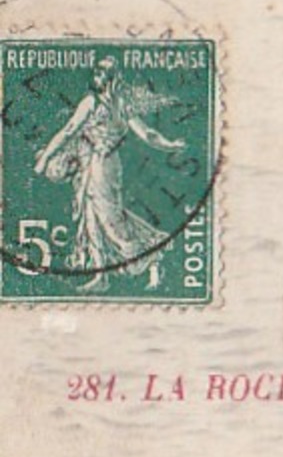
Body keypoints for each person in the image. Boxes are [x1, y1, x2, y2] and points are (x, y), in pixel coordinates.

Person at [33, 56, 185, 290]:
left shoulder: (112, 103)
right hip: (93, 162)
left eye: (101, 74)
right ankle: (100, 275)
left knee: (110, 219)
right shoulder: (98, 102)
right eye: (96, 73)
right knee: (92, 216)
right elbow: (69, 131)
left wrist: (170, 145)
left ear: (111, 78)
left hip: (104, 166)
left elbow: (147, 134)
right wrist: (46, 157)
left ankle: (148, 258)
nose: (97, 78)